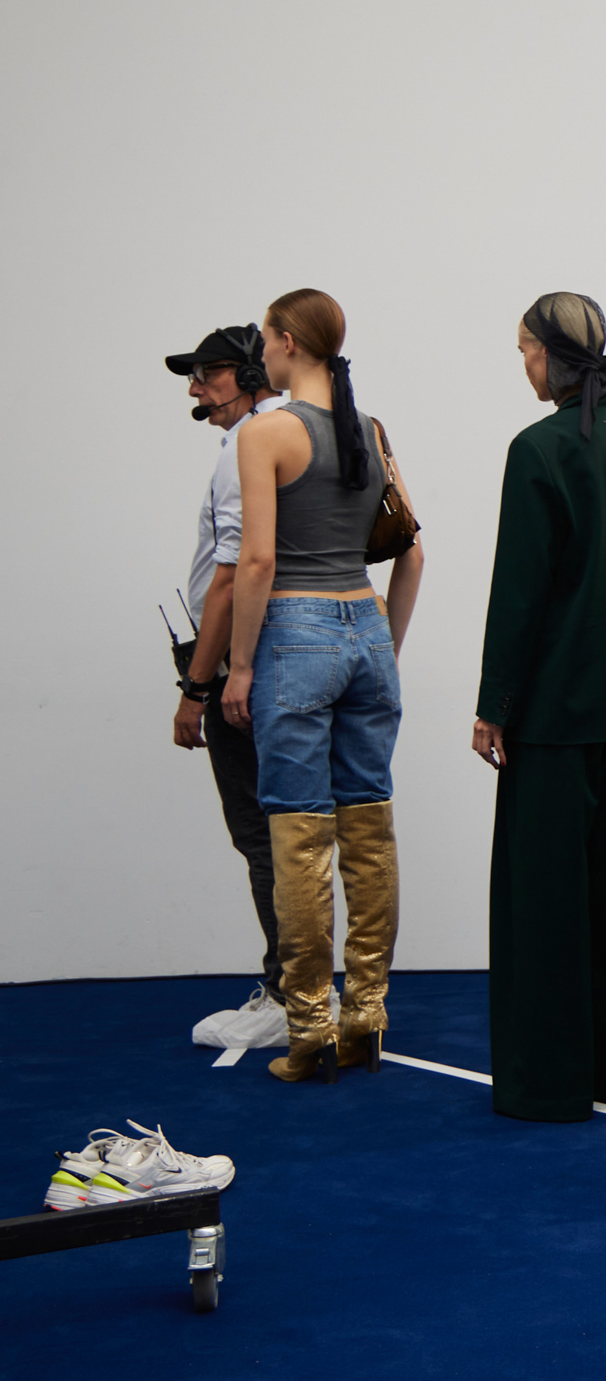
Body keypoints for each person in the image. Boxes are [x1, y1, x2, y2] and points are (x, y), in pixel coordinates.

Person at [473, 294, 606, 1121]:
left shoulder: (538, 450)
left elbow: (519, 592)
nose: (522, 364)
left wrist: (495, 704)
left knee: (545, 902)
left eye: (524, 349)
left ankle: (549, 1082)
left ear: (550, 356)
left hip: (551, 715)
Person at [222, 288, 424, 1083]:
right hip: (363, 625)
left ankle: (309, 1027)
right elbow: (409, 549)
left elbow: (259, 562)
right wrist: (384, 648)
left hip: (294, 632)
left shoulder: (266, 432)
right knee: (369, 827)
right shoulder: (369, 431)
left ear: (285, 342)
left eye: (265, 339)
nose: (260, 351)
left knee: (299, 835)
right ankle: (366, 1014)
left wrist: (239, 666)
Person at [166, 324, 292, 1051]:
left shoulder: (254, 441)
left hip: (248, 664)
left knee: (262, 829)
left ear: (248, 371)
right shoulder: (281, 434)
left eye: (207, 373)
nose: (194, 389)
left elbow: (233, 571)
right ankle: (301, 984)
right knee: (287, 827)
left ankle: (286, 991)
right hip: (272, 660)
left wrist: (200, 681)